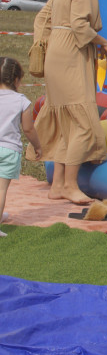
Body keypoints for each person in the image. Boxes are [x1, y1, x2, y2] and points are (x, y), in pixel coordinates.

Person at [33, 0, 107, 205]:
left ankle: (58, 184)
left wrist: (45, 44)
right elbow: (80, 26)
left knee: (65, 119)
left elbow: (42, 18)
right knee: (82, 122)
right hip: (71, 55)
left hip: (56, 53)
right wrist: (102, 42)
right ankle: (69, 184)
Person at [0, 58, 42, 237]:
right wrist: (37, 146)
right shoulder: (21, 101)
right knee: (1, 189)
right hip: (9, 150)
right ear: (17, 79)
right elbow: (28, 128)